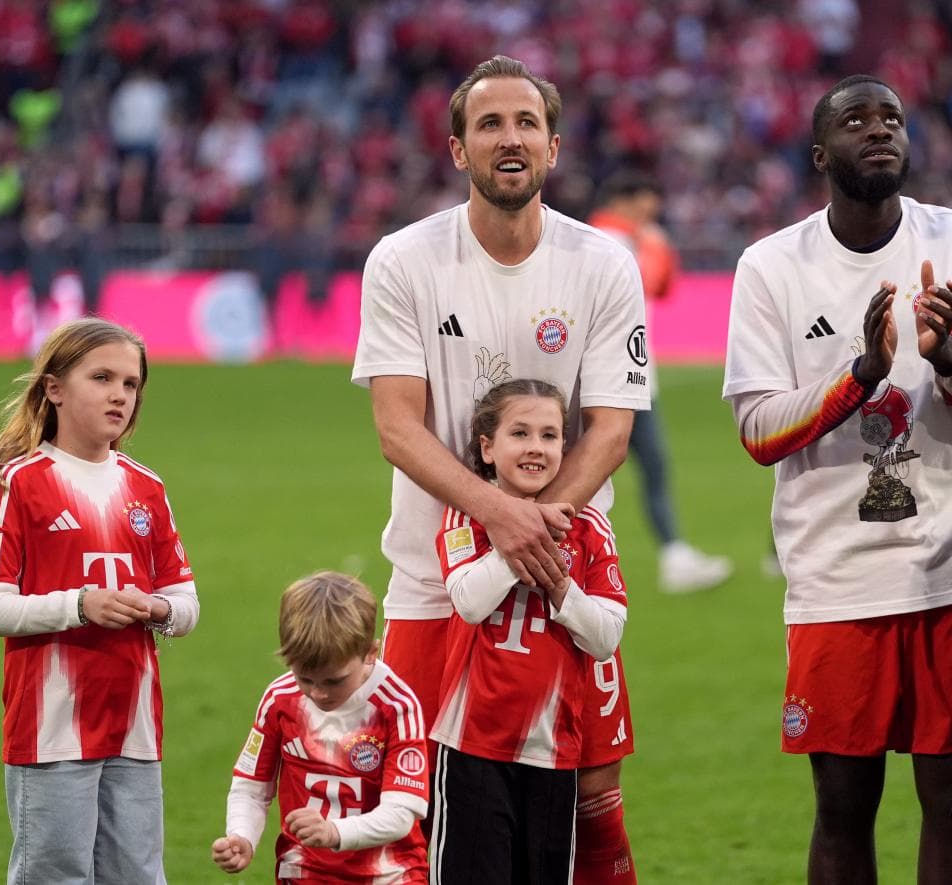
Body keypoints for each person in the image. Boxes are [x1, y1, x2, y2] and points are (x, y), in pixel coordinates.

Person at [722, 74, 952, 884]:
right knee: (841, 807)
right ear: (821, 153)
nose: (880, 129)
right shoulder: (770, 267)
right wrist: (859, 375)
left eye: (892, 117)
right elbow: (759, 432)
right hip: (836, 583)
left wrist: (948, 354)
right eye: (856, 119)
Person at [352, 56, 648, 884]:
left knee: (588, 821)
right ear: (458, 149)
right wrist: (503, 517)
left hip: (565, 575)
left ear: (553, 148)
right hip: (429, 579)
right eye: (489, 124)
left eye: (526, 124)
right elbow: (397, 428)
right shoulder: (404, 260)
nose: (509, 138)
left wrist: (535, 528)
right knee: (407, 820)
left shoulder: (602, 264)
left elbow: (611, 430)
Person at [0, 317, 200, 884]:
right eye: (102, 378)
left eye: (131, 383)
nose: (120, 394)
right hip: (51, 730)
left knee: (139, 877)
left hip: (135, 727)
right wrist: (79, 606)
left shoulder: (147, 487)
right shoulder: (17, 483)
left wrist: (159, 610)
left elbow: (186, 603)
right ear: (55, 389)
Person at [430, 379, 628, 883]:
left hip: (554, 749)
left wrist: (562, 588)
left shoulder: (590, 528)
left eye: (549, 435)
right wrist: (523, 535)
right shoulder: (467, 515)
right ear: (488, 447)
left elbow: (605, 636)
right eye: (519, 433)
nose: (536, 447)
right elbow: (470, 602)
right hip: (472, 745)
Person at [211, 570, 429, 883]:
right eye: (305, 678)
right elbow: (252, 788)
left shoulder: (396, 706)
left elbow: (401, 814)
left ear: (370, 652)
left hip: (390, 874)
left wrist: (334, 831)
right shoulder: (279, 699)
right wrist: (241, 836)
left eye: (334, 680)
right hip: (305, 871)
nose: (318, 693)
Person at [588, 172, 733, 593]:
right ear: (626, 199)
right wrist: (656, 246)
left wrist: (656, 248)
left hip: (632, 377)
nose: (653, 212)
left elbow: (664, 289)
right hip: (617, 380)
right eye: (648, 202)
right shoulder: (607, 241)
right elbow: (642, 286)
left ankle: (672, 555)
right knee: (635, 468)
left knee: (642, 468)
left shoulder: (630, 240)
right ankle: (670, 557)